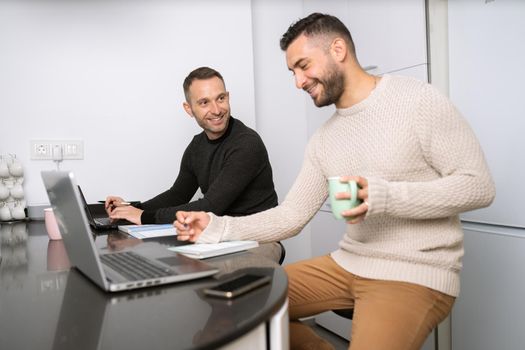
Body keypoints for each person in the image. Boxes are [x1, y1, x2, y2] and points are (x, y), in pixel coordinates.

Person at [174, 13, 496, 350]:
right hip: (348, 263)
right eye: (292, 72)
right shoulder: (324, 139)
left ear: (338, 49)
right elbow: (291, 216)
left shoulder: (417, 101)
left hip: (413, 271)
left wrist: (384, 197)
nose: (298, 82)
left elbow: (478, 185)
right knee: (234, 306)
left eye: (303, 65)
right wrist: (215, 226)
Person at [105, 66, 278, 225]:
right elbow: (178, 195)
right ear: (189, 109)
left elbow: (210, 206)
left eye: (221, 98)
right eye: (204, 102)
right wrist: (132, 208)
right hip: (218, 235)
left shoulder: (246, 144)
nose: (217, 110)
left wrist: (142, 216)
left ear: (228, 97)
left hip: (257, 238)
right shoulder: (197, 146)